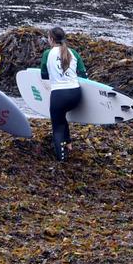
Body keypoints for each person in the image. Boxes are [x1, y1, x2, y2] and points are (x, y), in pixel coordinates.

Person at [39, 26, 88, 162]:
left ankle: (61, 159)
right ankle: (68, 144)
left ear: (51, 39)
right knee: (62, 117)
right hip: (76, 95)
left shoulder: (47, 54)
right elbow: (84, 75)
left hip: (59, 96)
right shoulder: (73, 52)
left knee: (57, 127)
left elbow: (43, 75)